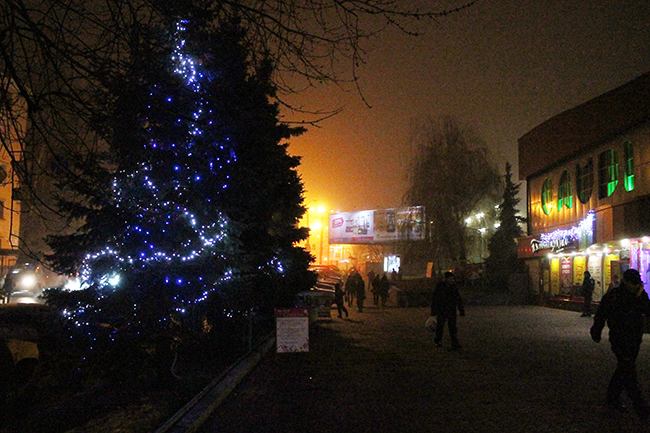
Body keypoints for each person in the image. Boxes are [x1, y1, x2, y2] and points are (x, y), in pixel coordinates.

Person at [591, 269, 650, 418]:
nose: (635, 286)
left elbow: (648, 311)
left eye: (637, 284)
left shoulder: (640, 295)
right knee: (628, 368)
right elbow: (601, 313)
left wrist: (640, 297)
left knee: (624, 368)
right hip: (619, 338)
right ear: (626, 282)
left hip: (634, 338)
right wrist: (596, 330)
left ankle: (612, 397)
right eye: (633, 283)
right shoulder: (614, 295)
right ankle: (639, 404)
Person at [431, 271, 465, 350]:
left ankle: (453, 342)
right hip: (443, 309)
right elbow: (435, 299)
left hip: (449, 309)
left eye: (452, 279)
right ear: (445, 279)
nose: (452, 280)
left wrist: (461, 309)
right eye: (451, 279)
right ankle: (439, 340)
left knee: (452, 327)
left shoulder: (448, 286)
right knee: (441, 326)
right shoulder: (442, 287)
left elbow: (458, 298)